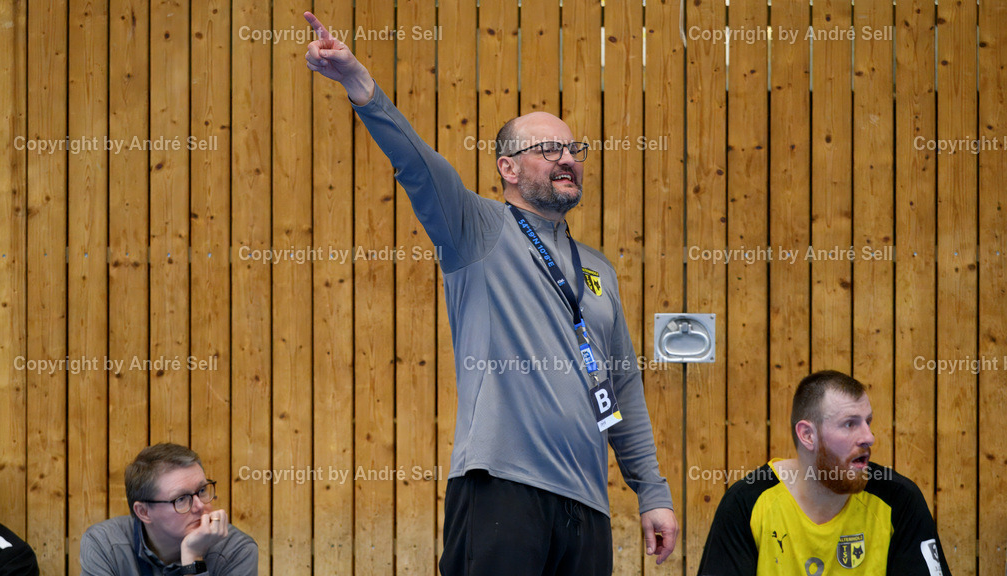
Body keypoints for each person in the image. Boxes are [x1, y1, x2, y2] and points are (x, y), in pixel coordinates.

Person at [304, 12, 677, 575]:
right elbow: (417, 165)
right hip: (502, 491)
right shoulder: (475, 230)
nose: (568, 159)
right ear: (506, 166)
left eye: (574, 148)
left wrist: (652, 490)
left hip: (588, 506)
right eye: (549, 148)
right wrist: (359, 83)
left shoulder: (597, 269)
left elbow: (621, 385)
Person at [697, 370, 953, 576]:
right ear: (808, 435)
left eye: (868, 421)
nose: (869, 437)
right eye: (850, 424)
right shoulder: (747, 503)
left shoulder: (899, 500)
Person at [80, 443, 257, 576]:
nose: (200, 506)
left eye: (202, 490)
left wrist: (193, 557)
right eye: (181, 499)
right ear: (144, 512)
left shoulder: (237, 550)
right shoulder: (104, 544)